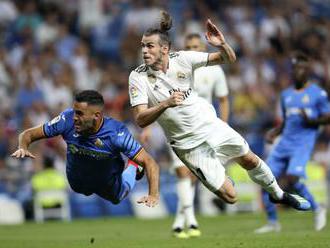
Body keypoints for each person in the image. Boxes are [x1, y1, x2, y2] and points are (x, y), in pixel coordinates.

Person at [128, 11, 311, 220]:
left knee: (249, 158)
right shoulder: (138, 77)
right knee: (230, 196)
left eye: (149, 46)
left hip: (210, 125)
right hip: (187, 144)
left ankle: (278, 194)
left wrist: (221, 44)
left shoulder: (184, 59)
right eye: (143, 45)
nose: (144, 50)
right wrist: (165, 104)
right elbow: (141, 120)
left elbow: (228, 58)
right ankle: (219, 174)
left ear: (165, 49)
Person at [11, 90, 160, 207]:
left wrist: (153, 194)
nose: (75, 117)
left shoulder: (116, 133)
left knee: (117, 198)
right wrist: (23, 146)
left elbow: (150, 162)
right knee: (80, 188)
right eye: (75, 111)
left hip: (106, 182)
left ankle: (133, 166)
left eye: (80, 114)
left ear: (96, 115)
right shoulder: (66, 120)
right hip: (78, 181)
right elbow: (28, 134)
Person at [254, 53, 330, 233]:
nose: (297, 72)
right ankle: (273, 222)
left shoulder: (317, 93)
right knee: (266, 178)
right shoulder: (286, 95)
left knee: (293, 178)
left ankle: (317, 208)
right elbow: (288, 120)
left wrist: (311, 121)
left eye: (301, 68)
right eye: (295, 68)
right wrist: (275, 132)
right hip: (284, 143)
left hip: (302, 143)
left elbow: (328, 117)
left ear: (307, 71)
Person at [171, 33, 230, 238]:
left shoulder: (214, 71)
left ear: (203, 49)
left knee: (195, 176)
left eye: (196, 46)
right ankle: (191, 221)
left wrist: (222, 125)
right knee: (183, 173)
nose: (192, 50)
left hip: (204, 127)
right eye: (188, 46)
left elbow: (223, 99)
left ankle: (180, 221)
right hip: (179, 127)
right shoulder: (176, 68)